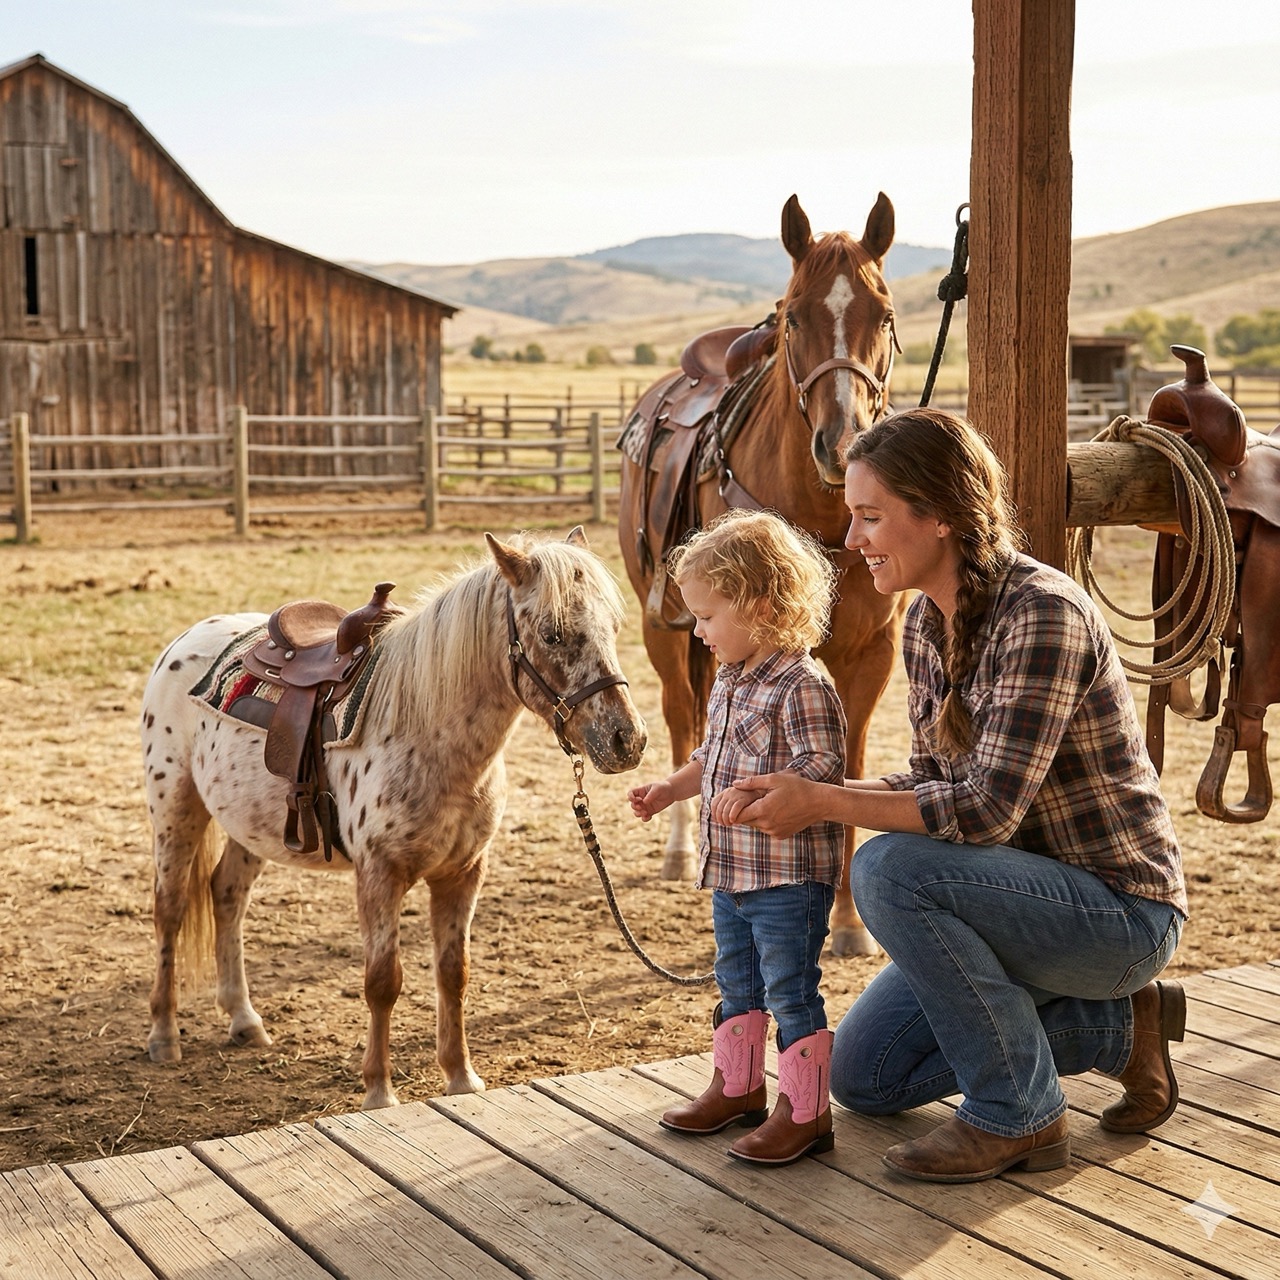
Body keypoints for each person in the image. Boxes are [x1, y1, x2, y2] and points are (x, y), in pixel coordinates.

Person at [713, 407, 1188, 1184]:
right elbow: (933, 783)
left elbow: (984, 810)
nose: (853, 539)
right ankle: (1120, 1031)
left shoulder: (1042, 613)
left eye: (871, 517)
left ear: (938, 515)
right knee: (867, 1079)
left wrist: (823, 803)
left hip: (1118, 916)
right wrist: (806, 790)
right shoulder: (926, 625)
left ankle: (1018, 1115)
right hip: (1010, 902)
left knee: (886, 869)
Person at [628, 508, 847, 1165]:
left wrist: (756, 795)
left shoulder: (802, 686)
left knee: (790, 991)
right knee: (736, 982)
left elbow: (822, 770)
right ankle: (738, 1087)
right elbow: (712, 757)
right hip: (731, 873)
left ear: (760, 607)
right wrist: (672, 788)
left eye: (706, 616)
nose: (697, 632)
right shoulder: (730, 678)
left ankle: (805, 1113)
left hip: (786, 879)